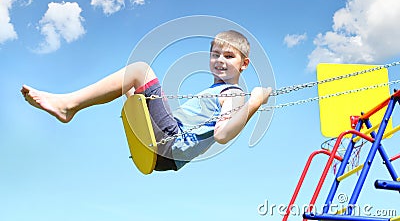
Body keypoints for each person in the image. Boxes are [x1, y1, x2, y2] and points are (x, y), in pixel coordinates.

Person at [21, 30, 272, 171]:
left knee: (140, 70)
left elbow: (223, 134)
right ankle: (71, 105)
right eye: (215, 54)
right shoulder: (216, 91)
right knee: (132, 90)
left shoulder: (235, 94)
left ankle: (67, 106)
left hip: (173, 143)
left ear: (244, 64)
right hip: (167, 153)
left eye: (229, 56)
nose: (220, 60)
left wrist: (254, 102)